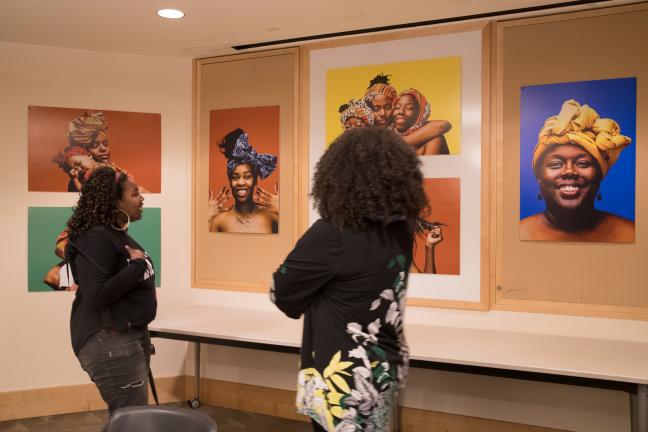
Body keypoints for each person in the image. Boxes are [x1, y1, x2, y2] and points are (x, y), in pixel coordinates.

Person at [271, 127, 427, 431]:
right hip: (384, 366)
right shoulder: (402, 229)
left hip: (344, 380)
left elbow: (282, 293)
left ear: (337, 178)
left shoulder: (332, 234)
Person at [65, 166, 156, 414]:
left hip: (126, 336)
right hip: (108, 339)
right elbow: (96, 295)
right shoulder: (95, 237)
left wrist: (140, 336)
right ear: (115, 201)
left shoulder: (116, 234)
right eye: (135, 194)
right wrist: (136, 266)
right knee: (132, 419)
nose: (142, 198)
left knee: (128, 418)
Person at [520, 99, 634, 242]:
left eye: (583, 163)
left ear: (600, 175)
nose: (569, 171)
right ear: (539, 177)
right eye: (556, 164)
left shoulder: (630, 234)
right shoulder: (518, 234)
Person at [208, 128, 279, 233]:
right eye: (235, 177)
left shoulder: (272, 217)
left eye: (247, 177)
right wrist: (208, 217)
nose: (241, 183)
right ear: (230, 181)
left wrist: (282, 212)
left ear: (255, 180)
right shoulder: (219, 221)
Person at [393, 88, 450, 156]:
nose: (401, 111)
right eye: (397, 107)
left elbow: (443, 125)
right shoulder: (388, 131)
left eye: (409, 108)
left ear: (419, 114)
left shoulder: (432, 139)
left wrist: (398, 144)